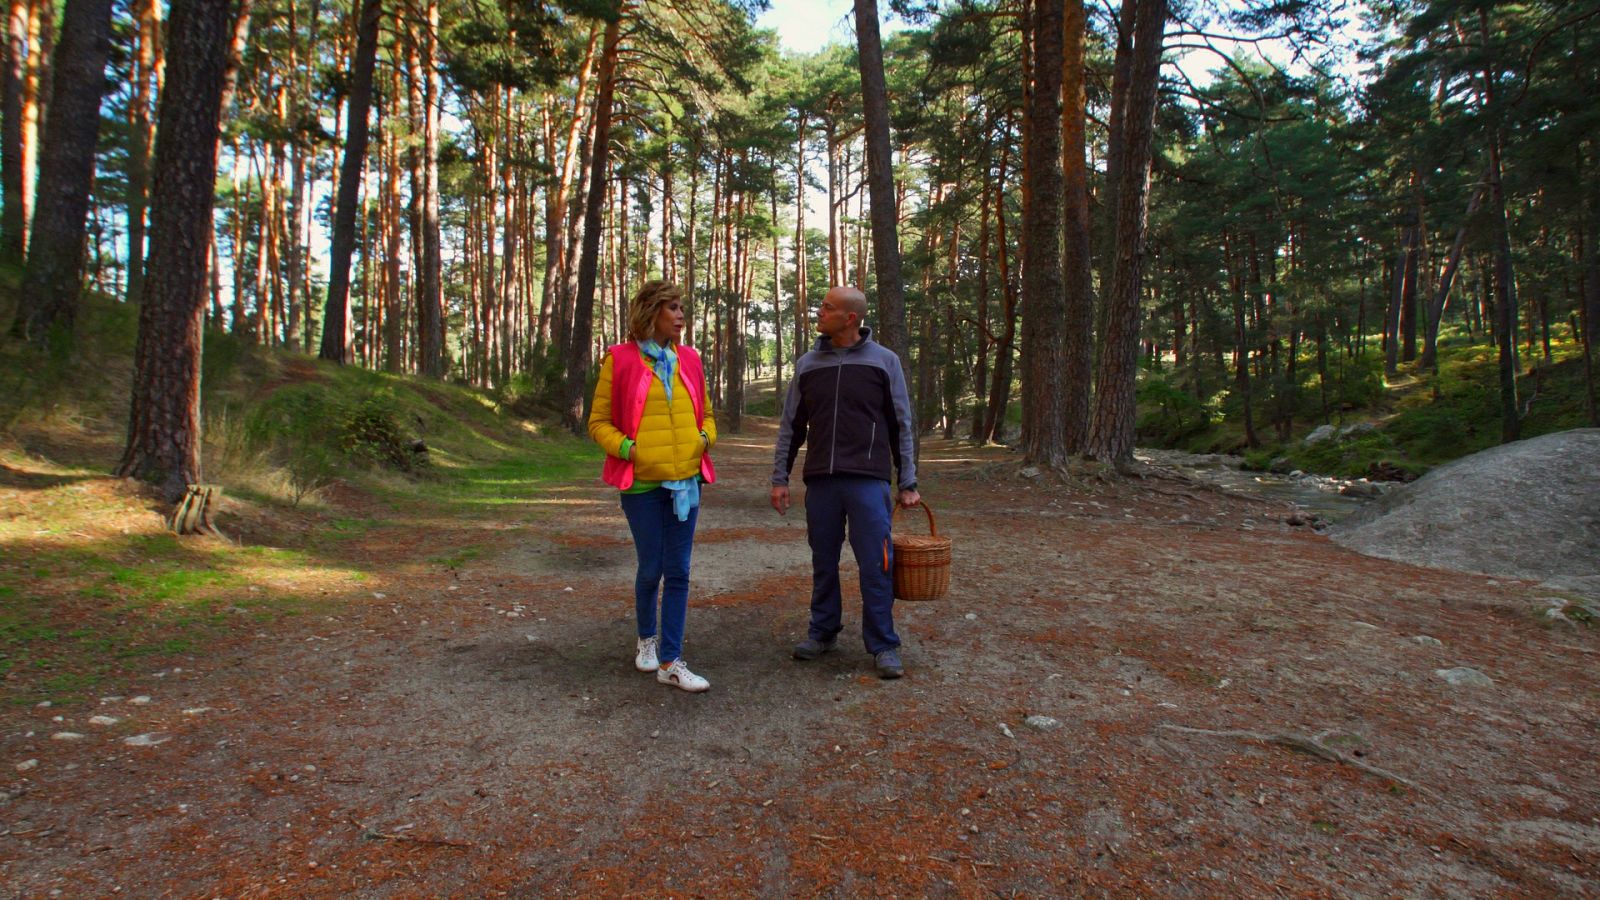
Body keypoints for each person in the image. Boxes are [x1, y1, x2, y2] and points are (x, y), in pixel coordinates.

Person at [770, 285, 920, 679]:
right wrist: (779, 477)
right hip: (821, 482)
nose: (819, 312)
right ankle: (822, 632)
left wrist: (908, 481)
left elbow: (900, 423)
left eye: (827, 307)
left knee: (876, 565)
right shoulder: (808, 364)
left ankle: (884, 644)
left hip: (868, 482)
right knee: (824, 561)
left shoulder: (883, 361)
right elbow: (791, 425)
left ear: (850, 318)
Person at [589, 281, 717, 692]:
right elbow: (598, 422)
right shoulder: (620, 360)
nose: (681, 316)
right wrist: (630, 449)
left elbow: (709, 416)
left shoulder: (691, 360)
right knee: (652, 567)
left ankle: (671, 660)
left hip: (686, 483)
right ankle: (647, 637)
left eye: (681, 309)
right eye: (673, 308)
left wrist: (703, 441)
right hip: (643, 485)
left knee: (678, 570)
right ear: (651, 312)